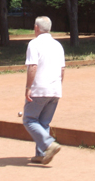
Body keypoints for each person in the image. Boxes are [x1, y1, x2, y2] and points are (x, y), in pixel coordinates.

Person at [23, 16, 65, 165]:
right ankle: (41, 154)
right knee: (44, 123)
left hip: (40, 89)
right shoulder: (58, 45)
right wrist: (58, 86)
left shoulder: (34, 44)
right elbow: (62, 69)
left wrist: (28, 87)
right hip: (55, 89)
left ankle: (48, 144)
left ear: (36, 28)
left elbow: (33, 67)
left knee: (29, 119)